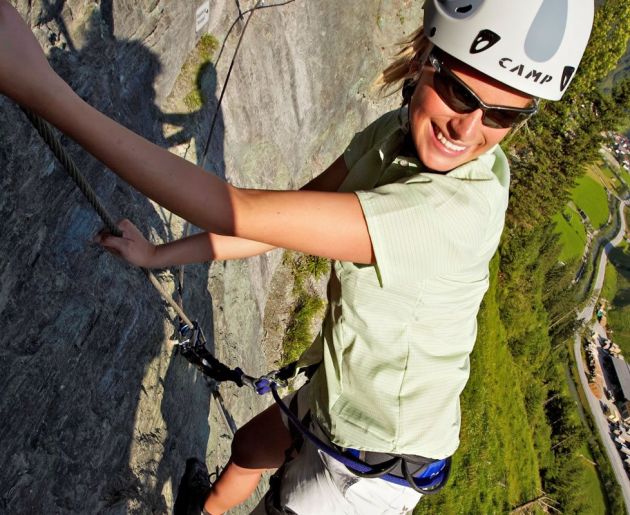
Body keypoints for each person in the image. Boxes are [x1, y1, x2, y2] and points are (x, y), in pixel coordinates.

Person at [0, 1, 594, 514]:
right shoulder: (392, 136)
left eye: (505, 115)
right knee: (248, 451)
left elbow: (237, 210)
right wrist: (160, 254)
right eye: (462, 92)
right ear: (426, 57)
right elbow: (281, 223)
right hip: (347, 391)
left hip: (375, 462)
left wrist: (45, 91)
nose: (469, 128)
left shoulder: (445, 212)